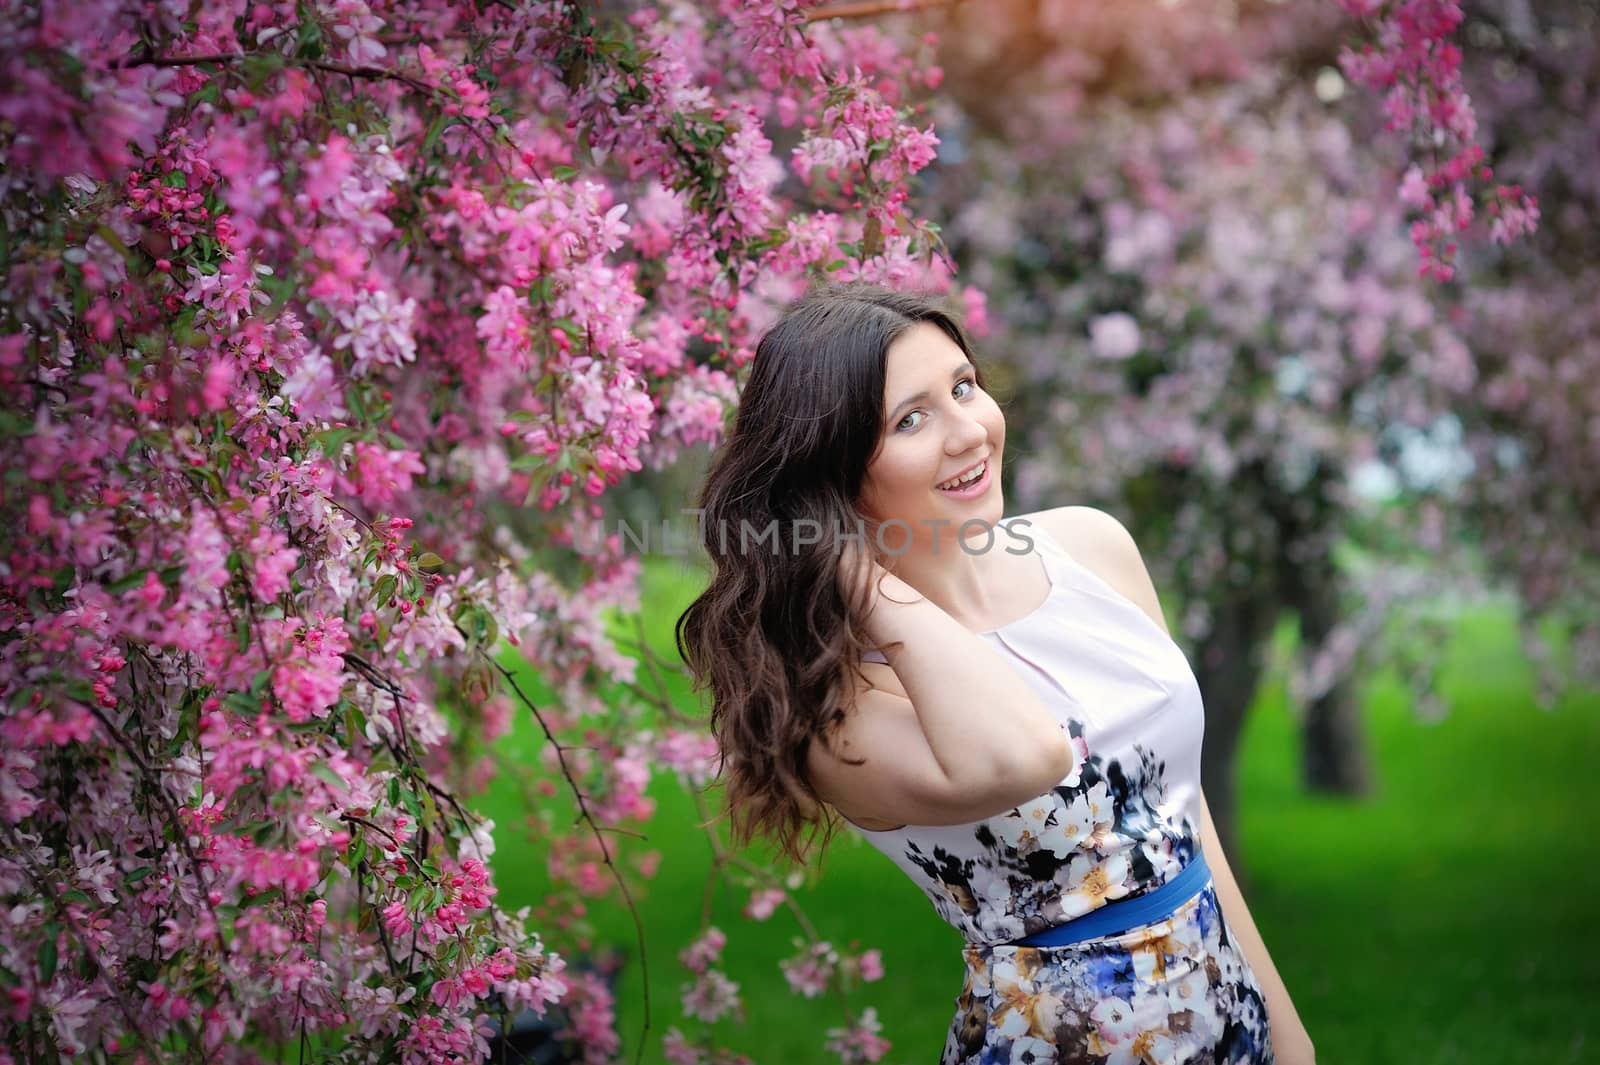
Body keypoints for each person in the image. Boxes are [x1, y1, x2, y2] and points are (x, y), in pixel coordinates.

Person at [675, 283, 1316, 1064]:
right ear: (834, 478)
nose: (968, 431)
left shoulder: (1091, 546)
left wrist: (1288, 1033)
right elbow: (1028, 757)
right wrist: (853, 571)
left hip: (1235, 1026)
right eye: (911, 419)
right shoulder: (837, 711)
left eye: (963, 387)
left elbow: (1186, 814)